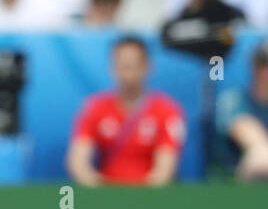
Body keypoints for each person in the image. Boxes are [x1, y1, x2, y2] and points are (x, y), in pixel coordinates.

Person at [66, 36, 185, 186]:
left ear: (148, 66)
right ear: (112, 67)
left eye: (133, 65)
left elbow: (166, 168)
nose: (128, 72)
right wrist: (101, 189)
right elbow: (78, 162)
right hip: (105, 194)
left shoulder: (167, 110)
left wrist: (140, 196)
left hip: (150, 197)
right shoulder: (94, 107)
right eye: (122, 65)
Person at [213, 40, 268, 179]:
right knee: (258, 159)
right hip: (234, 188)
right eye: (264, 65)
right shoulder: (233, 100)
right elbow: (254, 141)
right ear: (254, 67)